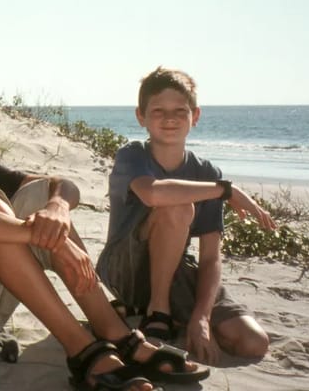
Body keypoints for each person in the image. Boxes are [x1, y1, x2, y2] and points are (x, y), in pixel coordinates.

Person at [0, 64, 208, 390]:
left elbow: (62, 185)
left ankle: (116, 333)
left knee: (40, 197)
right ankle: (82, 351)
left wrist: (57, 209)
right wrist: (52, 239)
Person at [96, 66, 274, 365]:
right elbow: (154, 194)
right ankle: (158, 312)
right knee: (178, 206)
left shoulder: (206, 172)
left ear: (196, 115)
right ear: (141, 116)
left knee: (252, 342)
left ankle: (149, 309)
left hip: (175, 269)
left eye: (180, 110)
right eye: (158, 111)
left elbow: (210, 257)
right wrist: (225, 190)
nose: (170, 118)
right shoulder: (133, 155)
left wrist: (202, 318)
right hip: (124, 267)